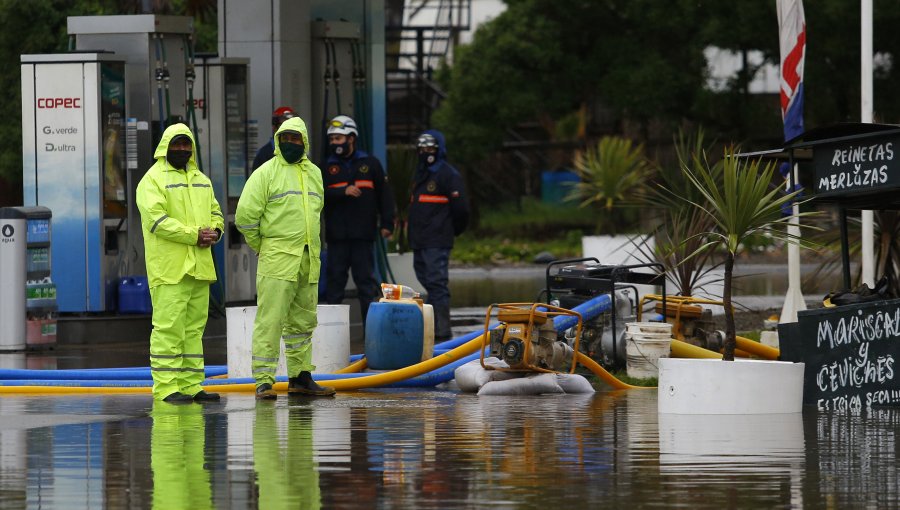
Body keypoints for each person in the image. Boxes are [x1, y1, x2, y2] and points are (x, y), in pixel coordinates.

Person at [235, 115, 336, 399]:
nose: (291, 143)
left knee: (303, 324)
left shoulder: (314, 173)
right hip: (277, 260)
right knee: (270, 320)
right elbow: (245, 218)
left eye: (296, 139)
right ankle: (264, 382)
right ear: (278, 140)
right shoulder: (266, 172)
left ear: (305, 142)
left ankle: (300, 377)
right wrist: (263, 246)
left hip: (308, 260)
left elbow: (316, 215)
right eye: (286, 138)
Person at [136, 123, 224, 404]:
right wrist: (194, 235)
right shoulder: (152, 180)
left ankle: (191, 386)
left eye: (186, 144)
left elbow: (216, 213)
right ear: (165, 146)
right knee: (168, 329)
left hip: (199, 267)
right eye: (177, 144)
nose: (182, 149)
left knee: (194, 330)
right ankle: (166, 388)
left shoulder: (202, 180)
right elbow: (156, 221)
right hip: (170, 268)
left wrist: (216, 232)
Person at [321, 115, 395, 326]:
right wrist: (342, 192)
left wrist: (388, 223)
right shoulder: (325, 167)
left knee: (366, 285)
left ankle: (371, 332)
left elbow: (385, 196)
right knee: (335, 286)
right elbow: (317, 195)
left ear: (351, 138)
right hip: (337, 238)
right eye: (332, 139)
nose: (335, 143)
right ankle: (332, 331)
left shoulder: (370, 164)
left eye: (339, 138)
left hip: (363, 236)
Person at [407, 130, 469, 341]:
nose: (426, 152)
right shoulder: (420, 173)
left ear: (439, 149)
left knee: (437, 283)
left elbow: (461, 210)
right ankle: (432, 326)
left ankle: (442, 331)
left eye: (430, 149)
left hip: (437, 238)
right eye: (422, 149)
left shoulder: (448, 174)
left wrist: (453, 230)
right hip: (420, 239)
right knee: (425, 279)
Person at [252, 106, 296, 171]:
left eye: (292, 125)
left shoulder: (298, 150)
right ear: (274, 127)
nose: (288, 129)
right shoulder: (264, 155)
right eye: (284, 125)